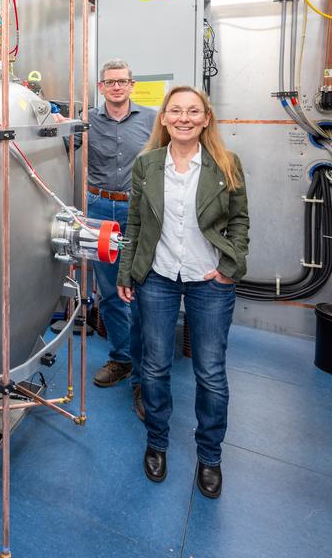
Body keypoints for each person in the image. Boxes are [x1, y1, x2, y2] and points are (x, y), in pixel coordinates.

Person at [116, 86, 250, 499]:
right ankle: (157, 443)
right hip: (157, 276)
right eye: (176, 110)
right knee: (154, 367)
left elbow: (240, 222)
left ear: (206, 119)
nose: (184, 117)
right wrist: (127, 272)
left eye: (193, 111)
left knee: (209, 373)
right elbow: (135, 224)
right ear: (164, 118)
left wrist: (230, 268)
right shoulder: (147, 165)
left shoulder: (226, 164)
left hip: (208, 279)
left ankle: (210, 457)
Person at [65, 59, 156, 420]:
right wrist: (54, 124)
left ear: (132, 85)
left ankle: (146, 372)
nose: (116, 87)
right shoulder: (87, 121)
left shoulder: (151, 119)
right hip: (99, 209)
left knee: (145, 291)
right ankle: (121, 359)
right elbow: (56, 144)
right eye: (109, 82)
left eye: (122, 82)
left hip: (139, 210)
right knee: (110, 292)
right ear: (101, 87)